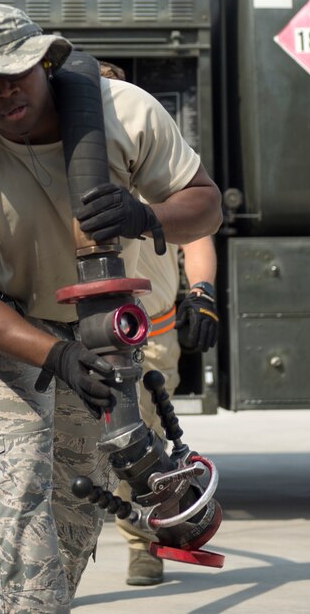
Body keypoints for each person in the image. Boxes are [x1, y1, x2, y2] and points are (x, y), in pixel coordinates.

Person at [0, 4, 222, 613]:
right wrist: (57, 356)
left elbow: (207, 206)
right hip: (9, 334)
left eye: (14, 74)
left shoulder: (126, 112)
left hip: (101, 326)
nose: (2, 94)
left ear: (46, 62)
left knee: (77, 503)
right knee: (21, 485)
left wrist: (147, 217)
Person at [98, 61, 220, 587]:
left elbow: (197, 232)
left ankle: (143, 543)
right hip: (79, 333)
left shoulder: (152, 159)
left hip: (151, 336)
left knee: (144, 449)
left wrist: (204, 293)